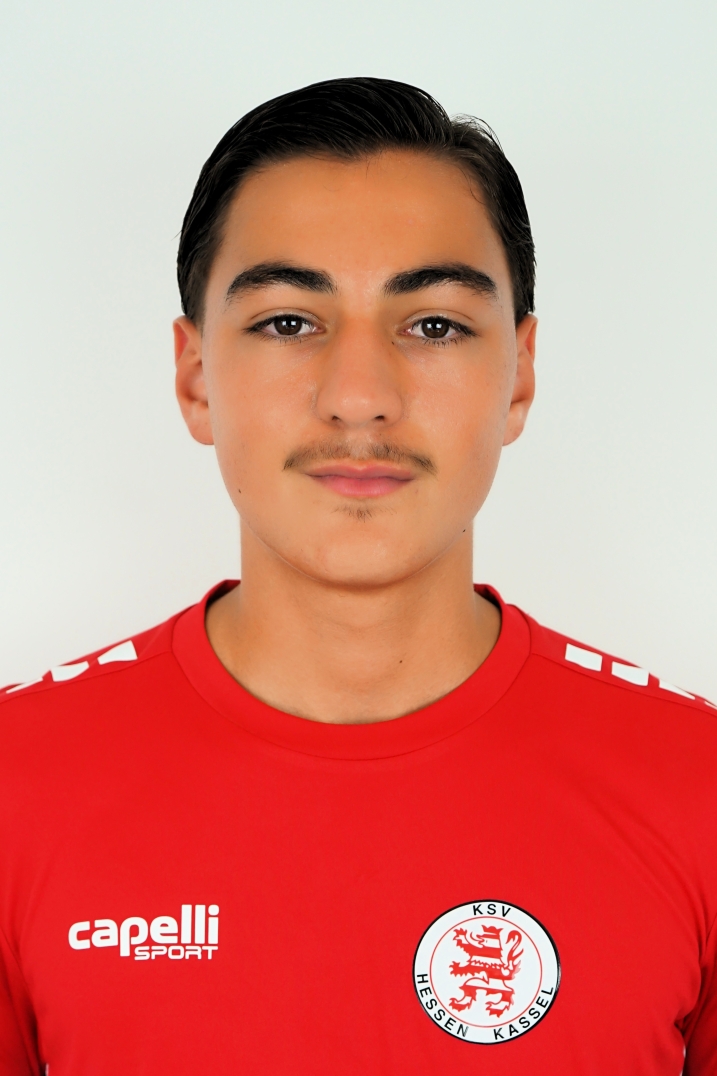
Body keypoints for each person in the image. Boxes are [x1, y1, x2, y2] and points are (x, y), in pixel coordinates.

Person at [0, 77, 715, 1076]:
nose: (359, 397)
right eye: (289, 322)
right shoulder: (17, 785)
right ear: (195, 377)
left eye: (434, 325)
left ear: (519, 374)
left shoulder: (697, 787)